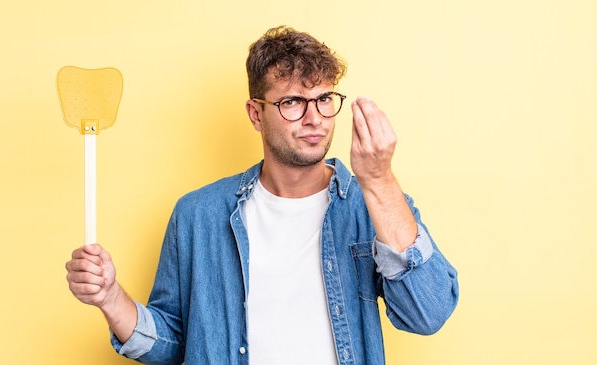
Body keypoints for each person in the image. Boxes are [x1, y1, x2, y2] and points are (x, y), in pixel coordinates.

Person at [66, 25, 459, 365]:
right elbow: (172, 344)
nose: (315, 118)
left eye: (324, 99)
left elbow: (429, 313)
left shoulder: (370, 203)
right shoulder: (198, 215)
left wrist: (379, 180)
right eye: (292, 102)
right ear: (256, 114)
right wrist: (111, 297)